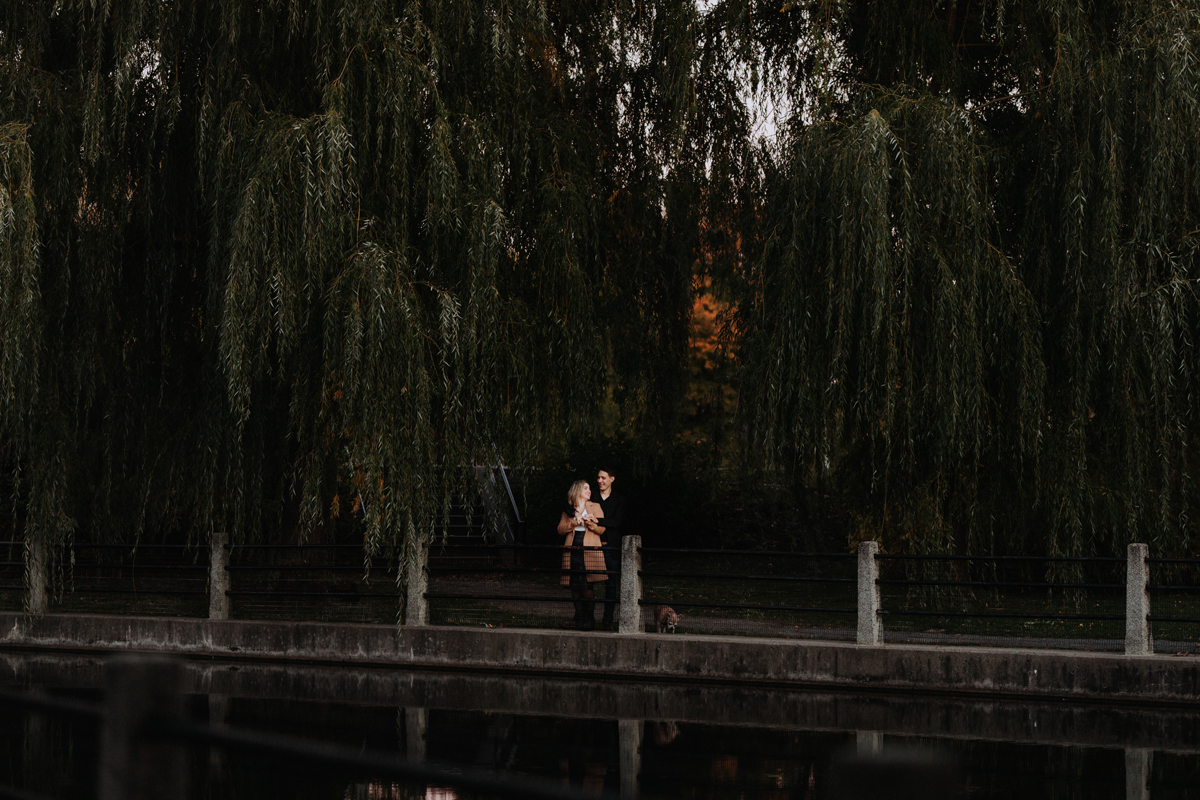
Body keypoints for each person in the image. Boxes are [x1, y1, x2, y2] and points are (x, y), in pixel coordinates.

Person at [557, 479, 606, 630]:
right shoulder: (569, 510)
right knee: (575, 587)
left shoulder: (595, 506)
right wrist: (575, 522)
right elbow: (560, 529)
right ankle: (578, 619)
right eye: (586, 488)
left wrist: (589, 522)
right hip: (572, 548)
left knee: (586, 585)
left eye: (589, 488)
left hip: (589, 550)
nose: (589, 491)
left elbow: (602, 529)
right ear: (577, 490)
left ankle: (589, 620)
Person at [593, 467, 626, 631]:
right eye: (598, 477)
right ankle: (585, 619)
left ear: (612, 479)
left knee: (611, 586)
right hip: (593, 545)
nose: (600, 480)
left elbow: (616, 523)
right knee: (587, 583)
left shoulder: (619, 500)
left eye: (603, 477)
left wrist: (597, 520)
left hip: (610, 548)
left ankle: (607, 620)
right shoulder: (591, 497)